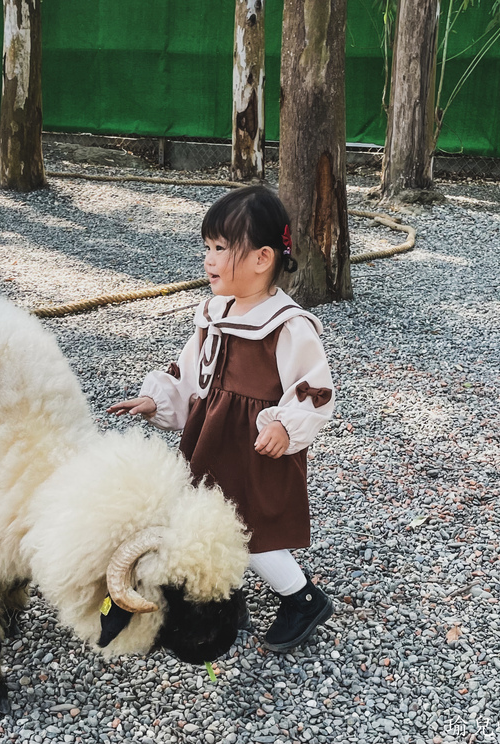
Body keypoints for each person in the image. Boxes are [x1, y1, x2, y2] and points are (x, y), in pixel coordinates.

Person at [109, 185, 336, 652]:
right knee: (208, 521)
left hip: (254, 447)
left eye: (221, 249)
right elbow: (193, 368)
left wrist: (284, 426)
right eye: (207, 247)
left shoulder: (288, 325)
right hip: (212, 436)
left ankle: (303, 598)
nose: (209, 259)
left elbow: (314, 389)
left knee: (251, 530)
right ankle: (228, 600)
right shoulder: (215, 312)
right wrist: (161, 398)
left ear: (262, 258)